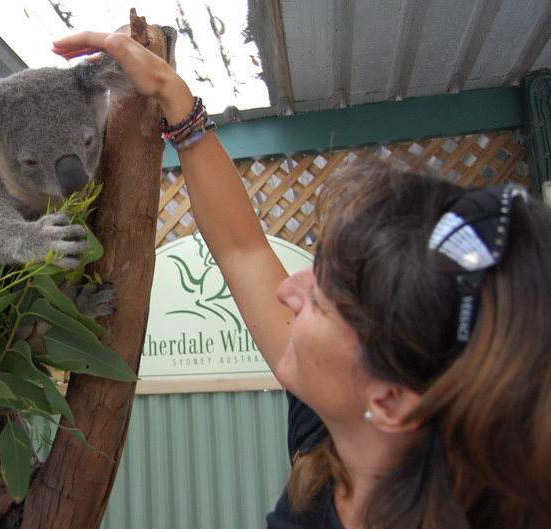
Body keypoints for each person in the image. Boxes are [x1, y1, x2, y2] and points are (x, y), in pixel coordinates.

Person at [52, 31, 551, 529]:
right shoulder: (345, 441)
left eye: (325, 300)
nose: (289, 290)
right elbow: (243, 250)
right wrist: (172, 94)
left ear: (391, 402)